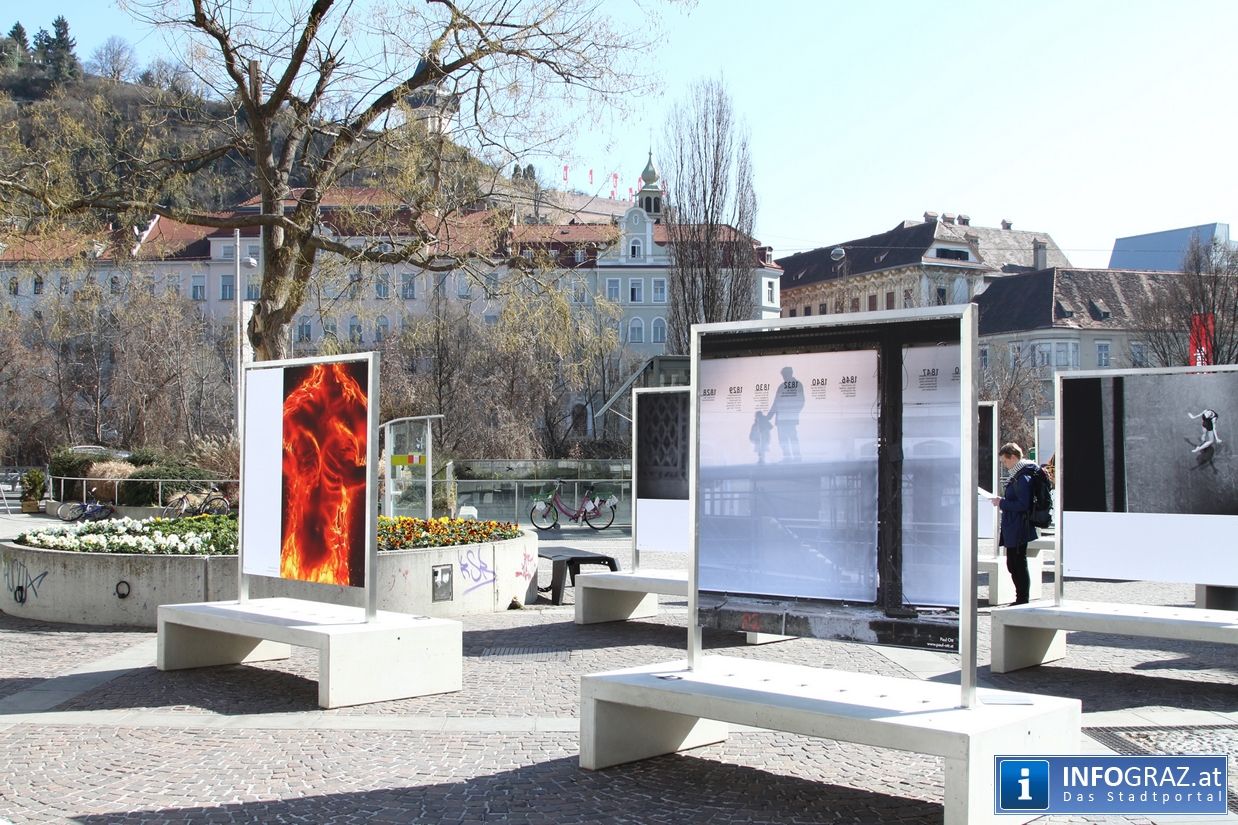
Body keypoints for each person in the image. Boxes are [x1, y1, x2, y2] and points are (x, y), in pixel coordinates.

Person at [989, 442, 1038, 605]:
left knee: (1018, 563)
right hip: (1013, 525)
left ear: (1014, 457)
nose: (1004, 465)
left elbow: (1023, 504)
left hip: (1019, 526)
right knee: (1013, 563)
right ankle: (1021, 597)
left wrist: (1001, 503)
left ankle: (1022, 598)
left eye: (1005, 461)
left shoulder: (1023, 476)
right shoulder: (1018, 475)